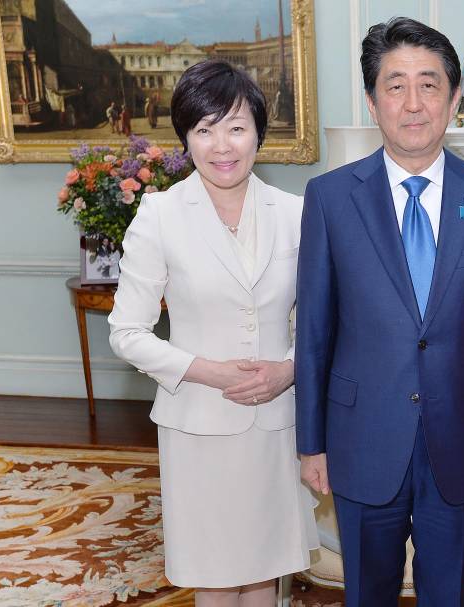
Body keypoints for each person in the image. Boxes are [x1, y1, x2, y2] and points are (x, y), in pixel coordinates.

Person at [296, 17, 464, 607]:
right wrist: (311, 441)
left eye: (430, 84)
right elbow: (316, 331)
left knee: (448, 592)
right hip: (362, 435)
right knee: (367, 592)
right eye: (396, 85)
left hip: (461, 436)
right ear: (373, 103)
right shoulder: (330, 198)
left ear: (453, 98)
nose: (414, 102)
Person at [109, 59, 318, 607]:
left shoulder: (296, 213)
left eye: (236, 127)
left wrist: (290, 368)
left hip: (277, 422)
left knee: (266, 569)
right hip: (198, 422)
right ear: (186, 138)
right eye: (205, 129)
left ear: (258, 134)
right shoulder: (159, 215)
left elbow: (323, 320)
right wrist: (209, 370)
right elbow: (127, 332)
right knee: (217, 572)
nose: (222, 145)